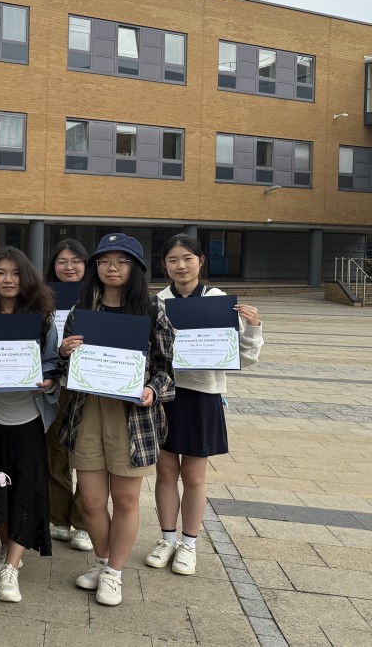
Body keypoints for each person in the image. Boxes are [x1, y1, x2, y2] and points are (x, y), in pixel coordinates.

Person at [57, 233, 175, 606]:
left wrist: (153, 390)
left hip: (132, 416)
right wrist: (64, 352)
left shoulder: (152, 310)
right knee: (91, 501)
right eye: (105, 261)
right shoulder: (81, 310)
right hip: (88, 411)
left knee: (124, 500)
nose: (112, 267)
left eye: (122, 261)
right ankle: (104, 561)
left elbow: (167, 368)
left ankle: (114, 573)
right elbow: (65, 366)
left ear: (135, 268)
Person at [146, 234, 263, 577]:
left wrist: (253, 327)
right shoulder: (156, 303)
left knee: (194, 476)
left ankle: (189, 544)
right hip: (164, 395)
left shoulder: (220, 302)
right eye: (172, 260)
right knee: (165, 472)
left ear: (200, 261)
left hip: (203, 396)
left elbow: (244, 357)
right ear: (164, 265)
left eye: (187, 258)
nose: (180, 266)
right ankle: (167, 539)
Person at [0, 247, 60, 603]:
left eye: (15, 273)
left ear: (26, 278)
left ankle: (12, 568)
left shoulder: (43, 318)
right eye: (1, 273)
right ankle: (6, 547)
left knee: (27, 489)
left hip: (27, 417)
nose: (8, 280)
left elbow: (52, 364)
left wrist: (50, 381)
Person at [43, 239, 92, 552]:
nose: (69, 266)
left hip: (90, 384)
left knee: (87, 455)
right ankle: (58, 518)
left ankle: (84, 522)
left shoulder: (97, 297)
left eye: (76, 260)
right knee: (55, 452)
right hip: (57, 383)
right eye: (62, 261)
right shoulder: (42, 296)